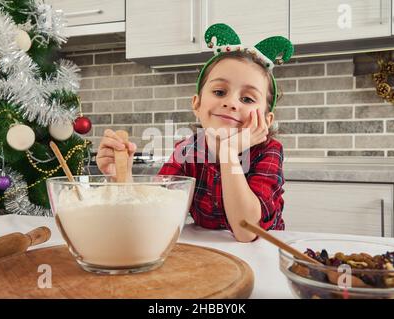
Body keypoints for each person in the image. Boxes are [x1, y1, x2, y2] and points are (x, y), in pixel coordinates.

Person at [96, 24, 294, 242]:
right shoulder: (188, 151)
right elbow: (156, 211)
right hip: (205, 255)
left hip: (262, 255)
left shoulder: (269, 152)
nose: (230, 103)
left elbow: (247, 231)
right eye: (219, 92)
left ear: (267, 120)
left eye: (247, 99)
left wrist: (228, 153)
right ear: (197, 104)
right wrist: (122, 177)